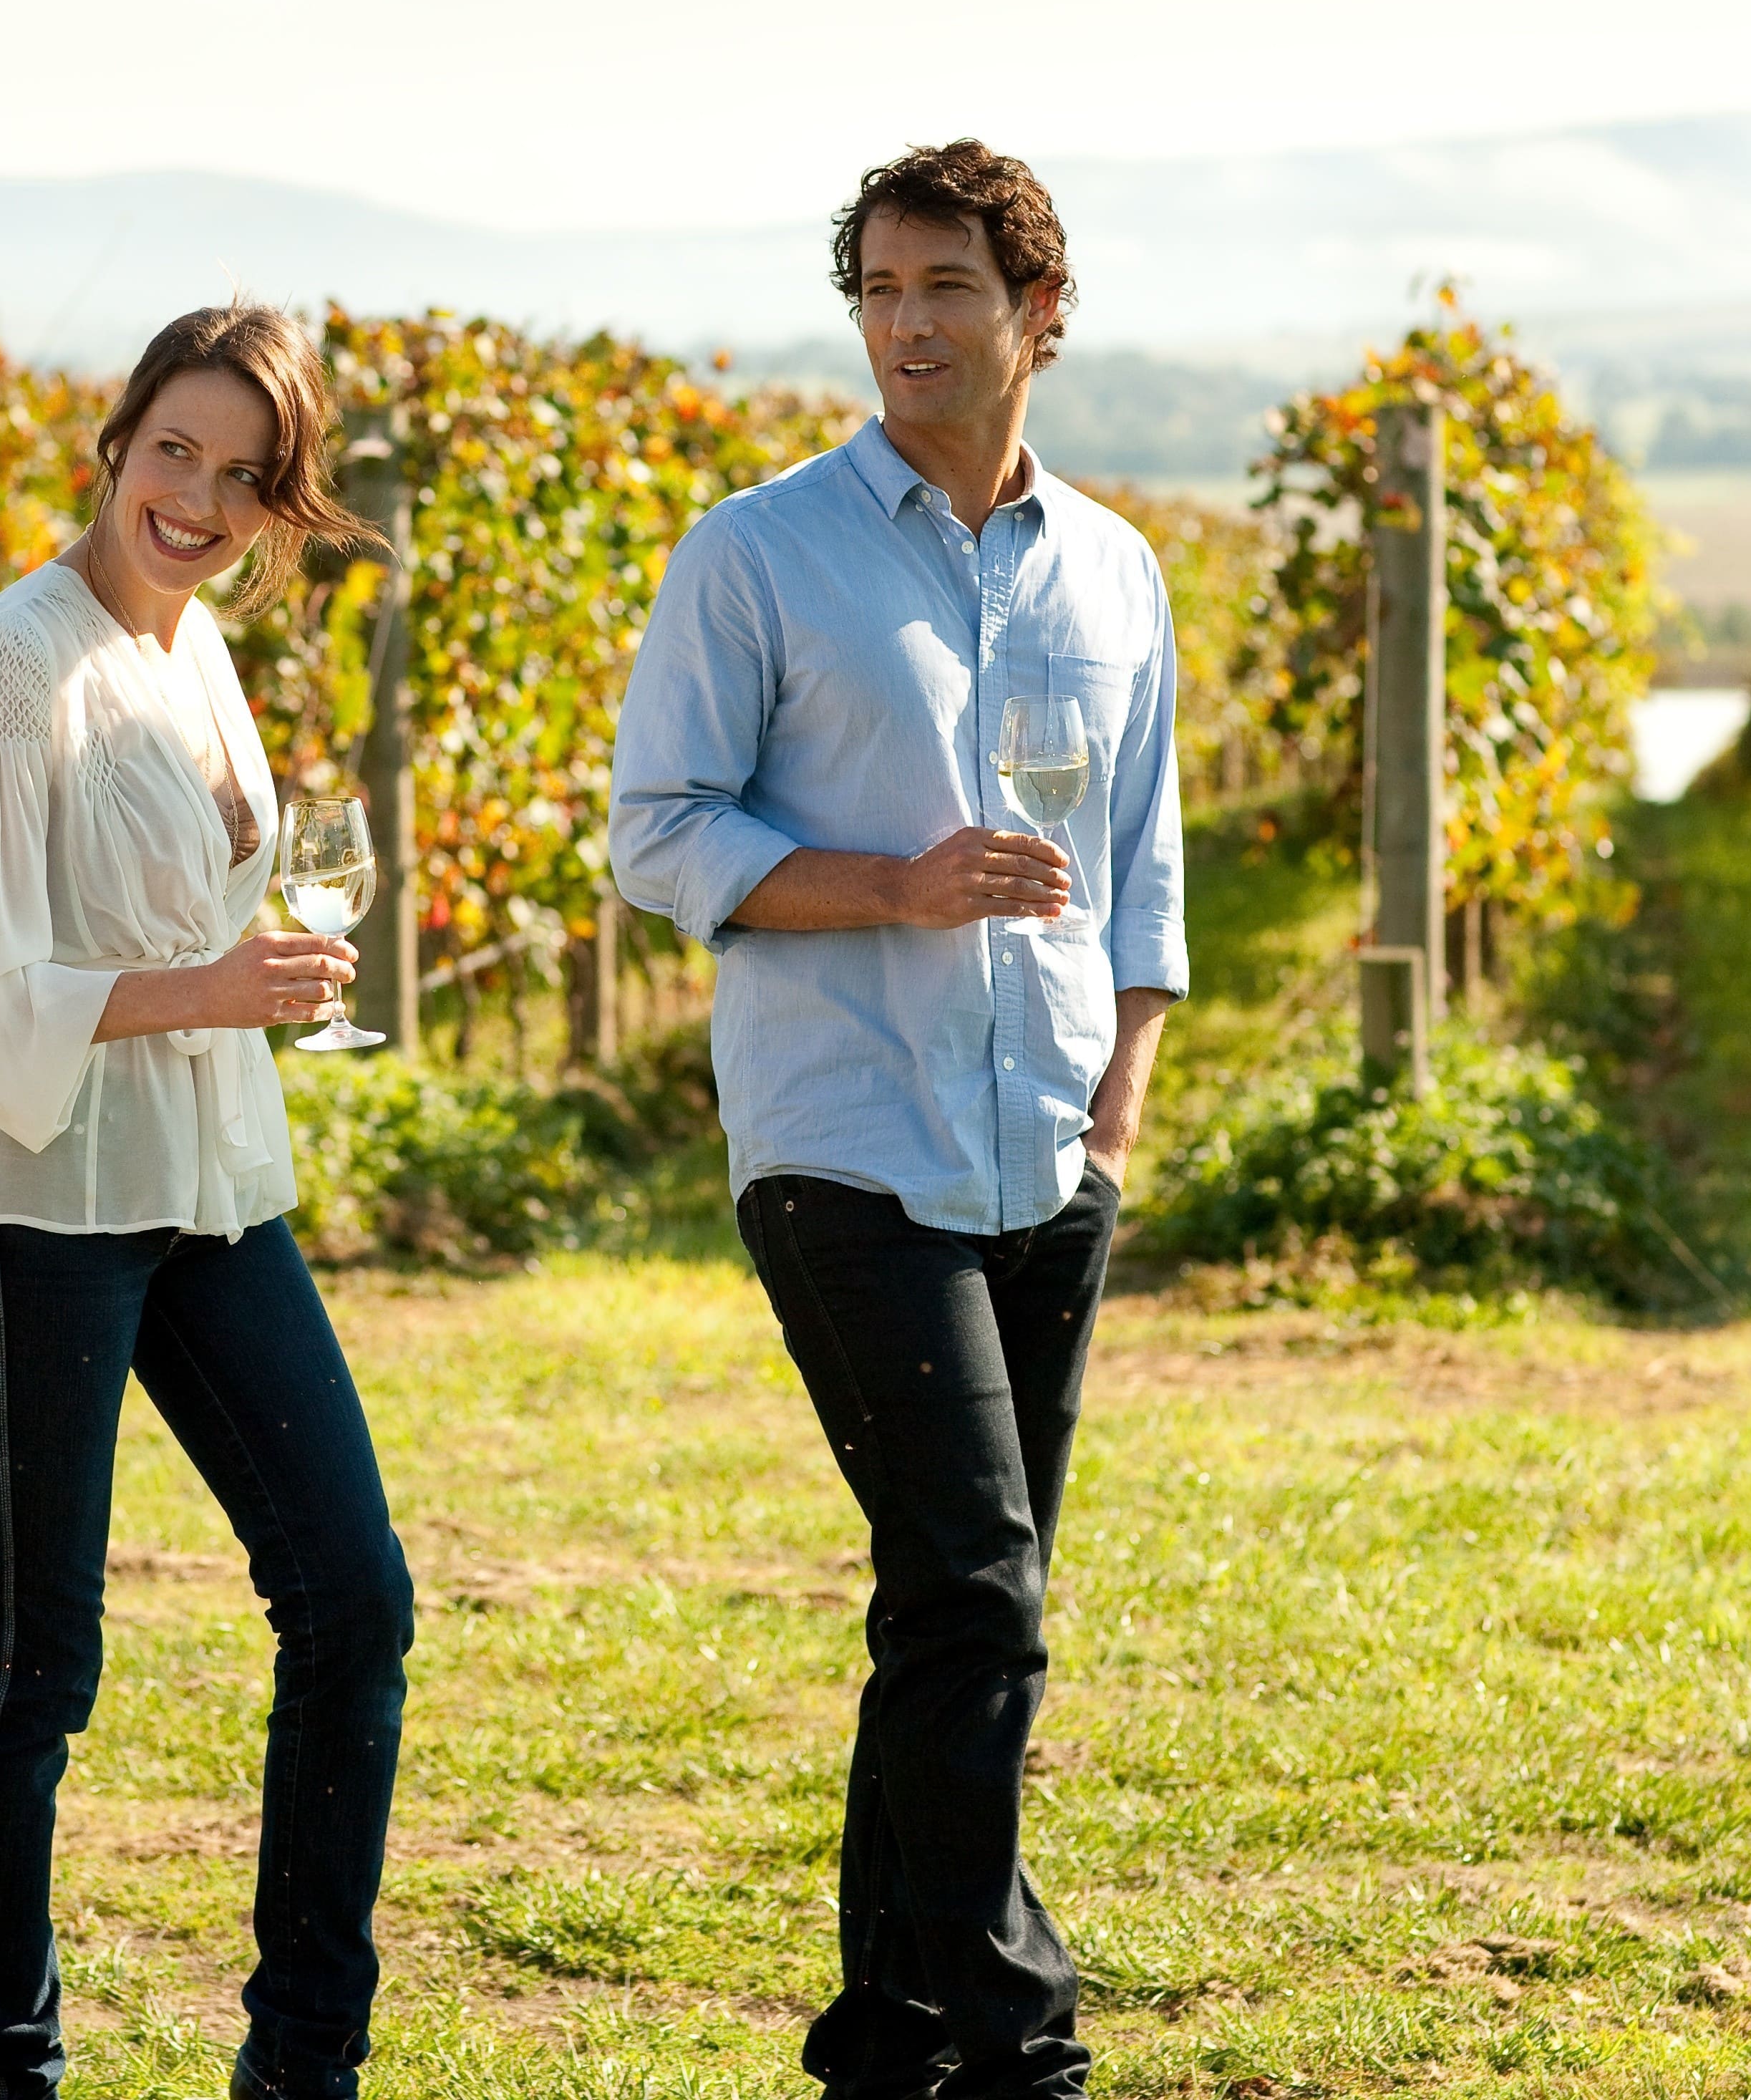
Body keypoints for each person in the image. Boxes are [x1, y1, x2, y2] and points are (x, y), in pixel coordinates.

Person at [608, 141, 1188, 2100]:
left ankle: (889, 2033)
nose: (907, 326)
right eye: (878, 289)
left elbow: (1143, 870)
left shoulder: (1115, 569)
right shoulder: (756, 554)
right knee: (977, 1583)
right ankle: (1022, 2033)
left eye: (946, 288)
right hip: (844, 1139)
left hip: (1049, 1147)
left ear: (1039, 316)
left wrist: (1121, 1111)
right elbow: (657, 837)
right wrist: (894, 884)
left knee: (950, 1605)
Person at [0, 303, 412, 2100]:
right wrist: (207, 986)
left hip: (210, 1187)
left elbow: (203, 924)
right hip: (43, 1206)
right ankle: (5, 2073)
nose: (197, 497)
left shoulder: (196, 656)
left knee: (355, 1599)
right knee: (37, 1660)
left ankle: (304, 2063)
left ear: (279, 508)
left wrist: (262, 975)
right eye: (175, 452)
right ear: (117, 444)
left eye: (244, 476)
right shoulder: (18, 663)